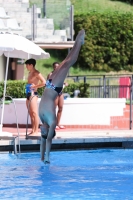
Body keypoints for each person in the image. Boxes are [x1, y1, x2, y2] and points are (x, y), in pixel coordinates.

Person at [39, 29, 85, 163]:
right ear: (49, 131)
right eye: (44, 132)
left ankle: (78, 40)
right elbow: (47, 140)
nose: (42, 132)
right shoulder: (51, 121)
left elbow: (42, 140)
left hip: (49, 84)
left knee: (65, 61)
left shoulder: (44, 120)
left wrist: (41, 157)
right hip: (54, 87)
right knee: (68, 62)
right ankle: (79, 42)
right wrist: (47, 158)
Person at [25, 58, 46, 135]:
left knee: (34, 113)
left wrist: (35, 86)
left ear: (31, 65)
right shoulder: (30, 72)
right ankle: (33, 130)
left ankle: (36, 130)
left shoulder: (36, 73)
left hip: (33, 94)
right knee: (30, 113)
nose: (26, 67)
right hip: (28, 93)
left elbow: (44, 82)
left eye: (27, 65)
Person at [47, 62, 68, 130]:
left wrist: (64, 83)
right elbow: (48, 84)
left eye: (58, 66)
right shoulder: (51, 74)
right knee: (53, 109)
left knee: (61, 107)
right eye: (55, 66)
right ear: (53, 67)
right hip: (54, 92)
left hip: (60, 92)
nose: (56, 68)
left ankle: (58, 124)